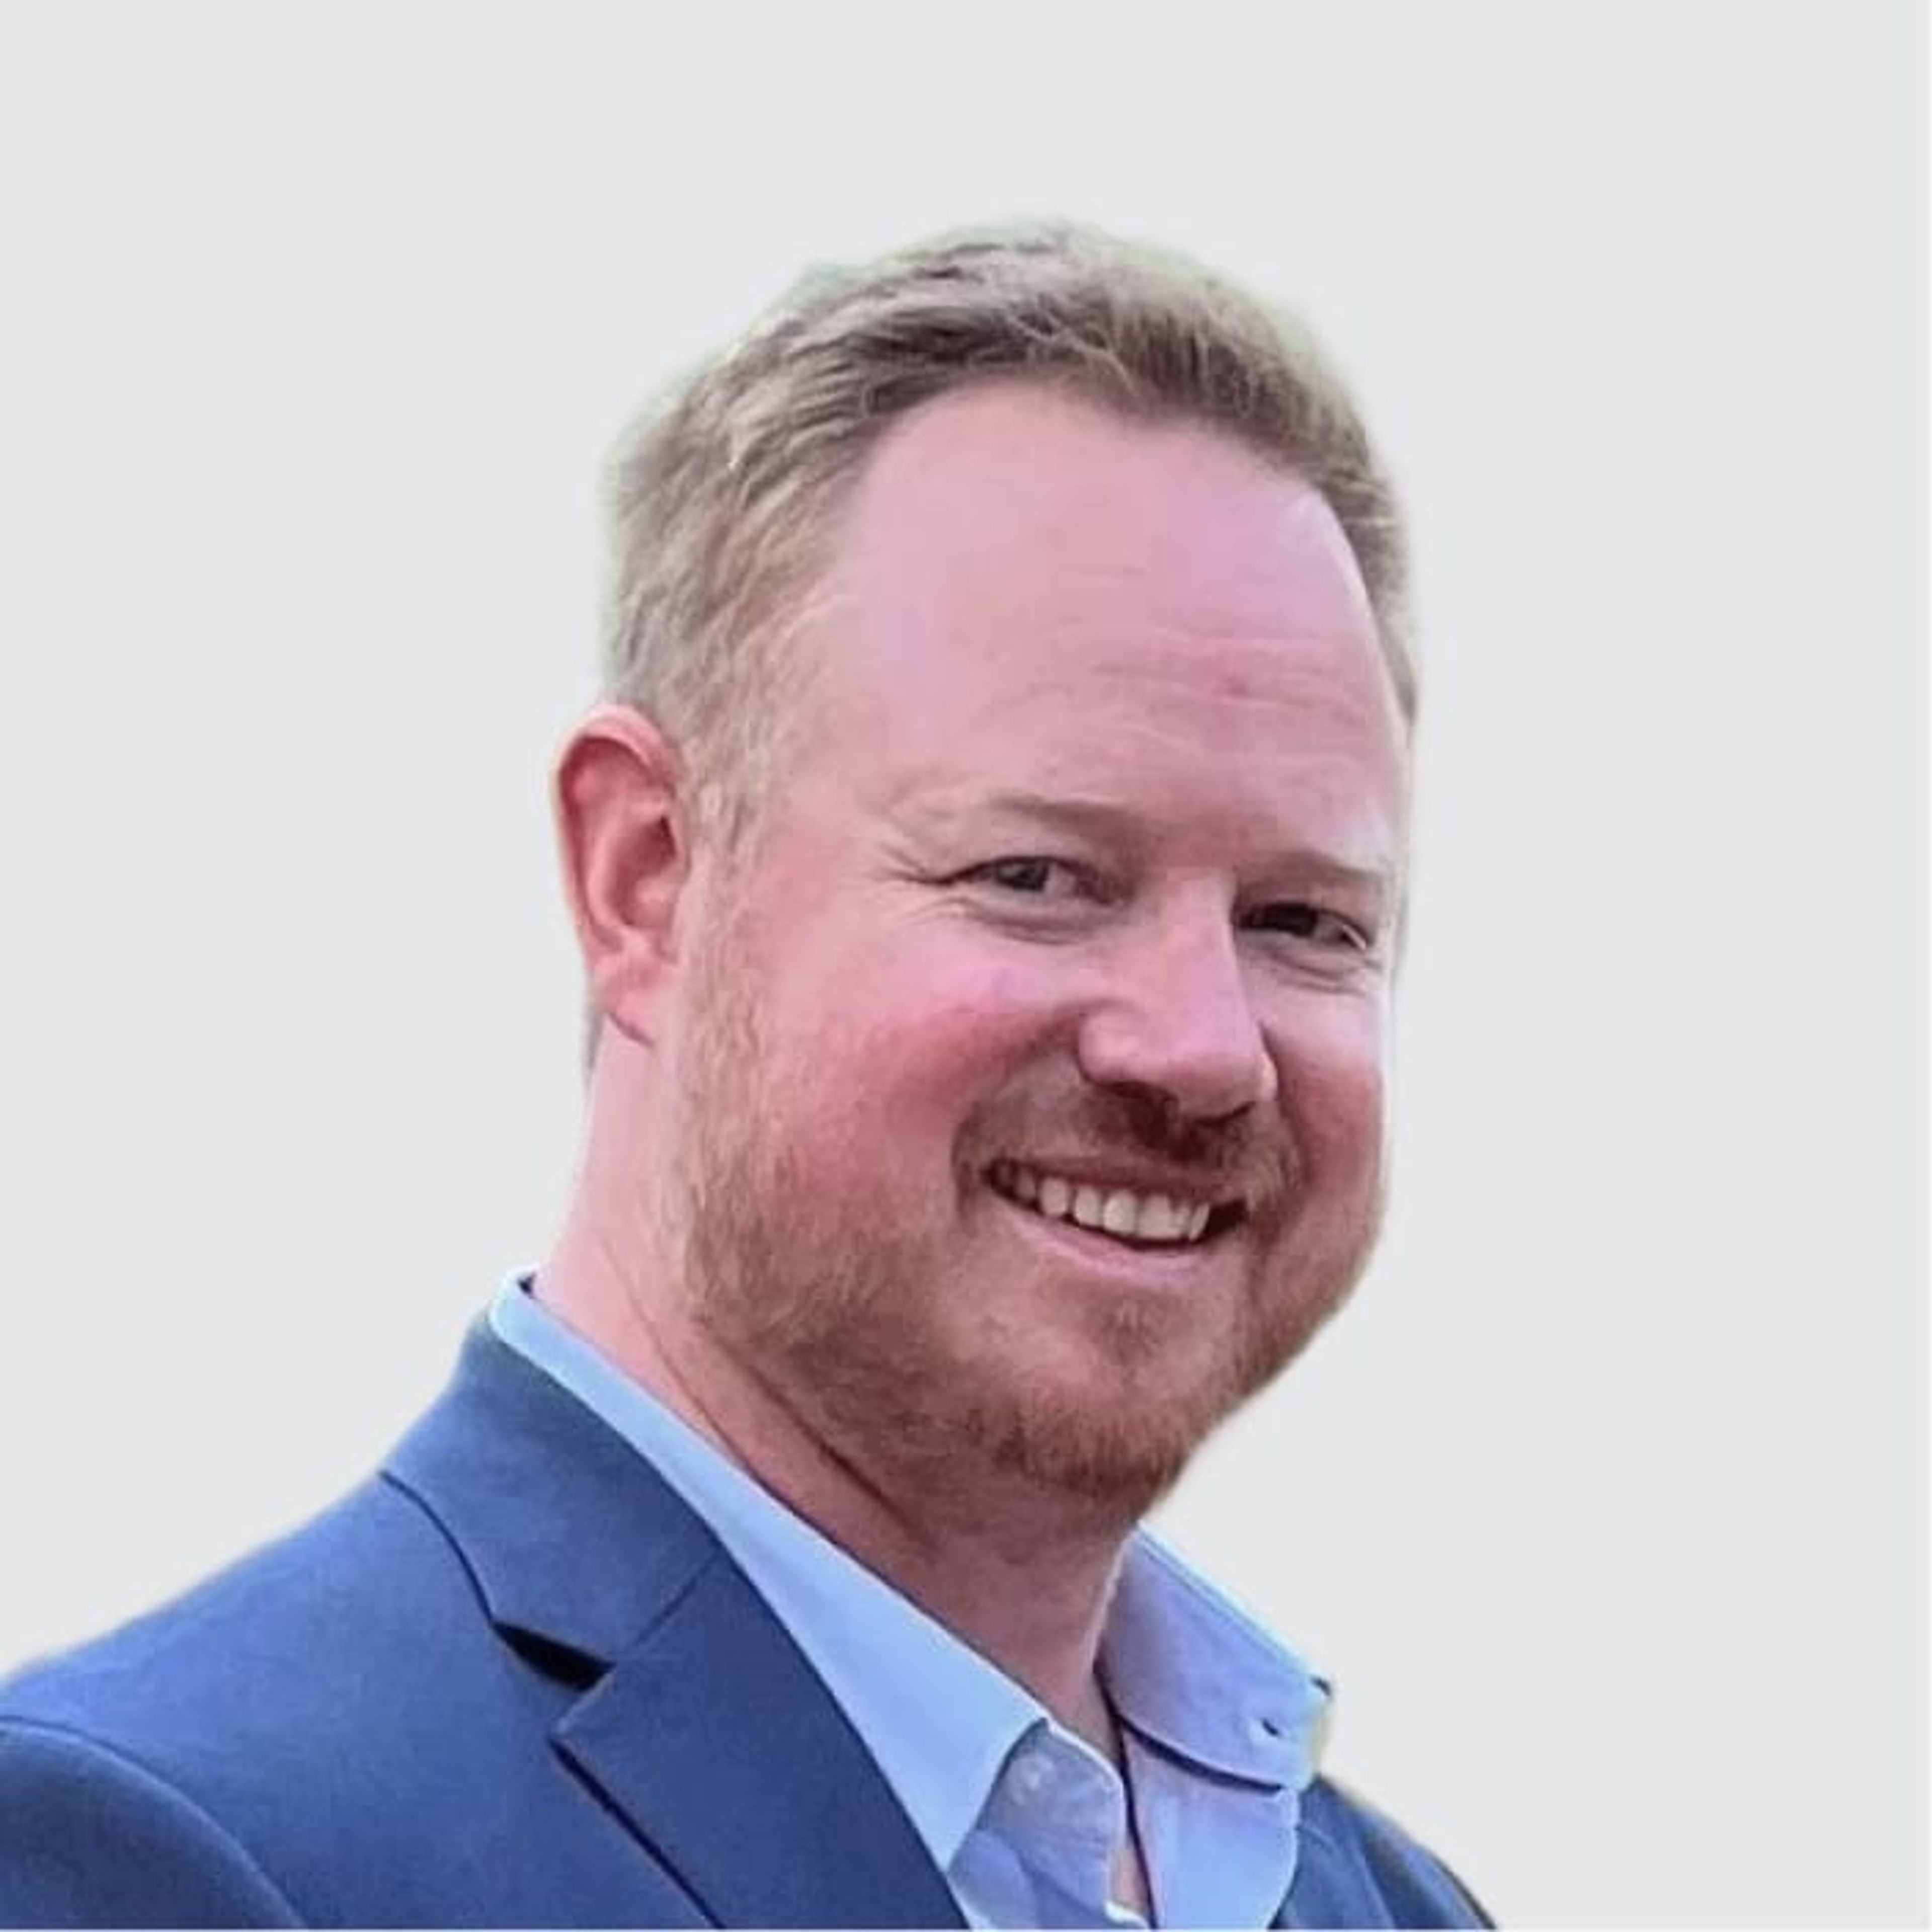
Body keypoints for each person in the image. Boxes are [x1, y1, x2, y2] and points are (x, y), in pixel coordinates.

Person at [0, 222, 1488, 1928]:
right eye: (1039, 876)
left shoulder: (1381, 1903)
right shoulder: (163, 1862)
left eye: (1303, 919)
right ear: (646, 872)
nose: (1203, 1044)